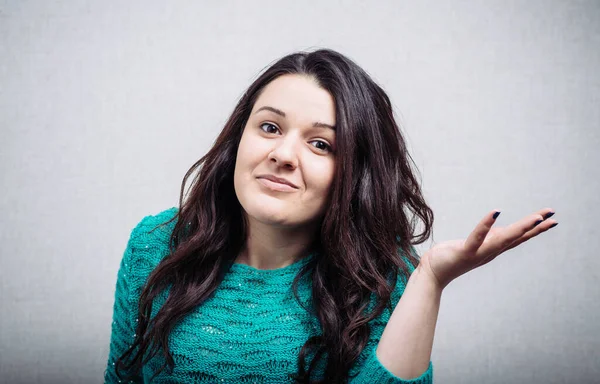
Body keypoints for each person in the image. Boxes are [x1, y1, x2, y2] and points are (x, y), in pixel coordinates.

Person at [104, 48, 558, 384]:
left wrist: (430, 280)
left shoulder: (379, 279)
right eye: (269, 127)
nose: (283, 154)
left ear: (354, 175)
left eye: (320, 144)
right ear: (237, 140)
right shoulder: (156, 243)